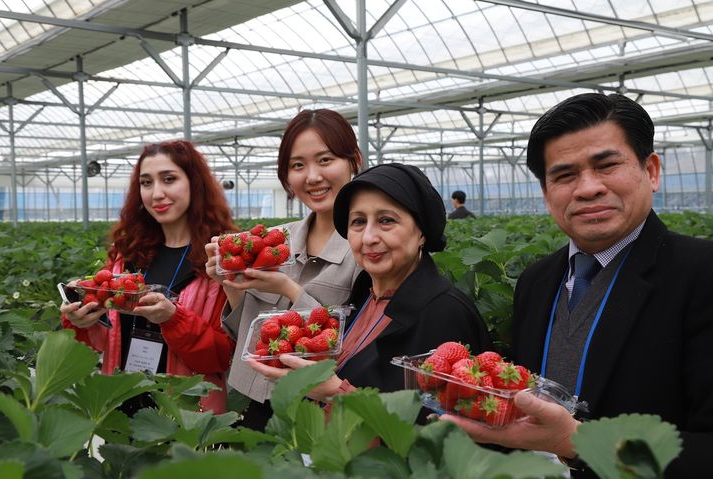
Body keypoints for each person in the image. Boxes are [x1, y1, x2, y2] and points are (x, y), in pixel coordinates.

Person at [443, 93, 713, 477]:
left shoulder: (701, 274)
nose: (587, 188)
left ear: (651, 171)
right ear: (546, 191)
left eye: (606, 165)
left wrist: (578, 442)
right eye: (565, 175)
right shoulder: (536, 281)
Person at [249, 163, 491, 405]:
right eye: (358, 222)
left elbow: (439, 430)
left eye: (386, 220)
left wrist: (334, 393)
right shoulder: (362, 292)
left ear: (422, 232)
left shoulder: (445, 313)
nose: (368, 238)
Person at [205, 109, 365, 430]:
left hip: (314, 410)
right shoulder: (275, 241)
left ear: (353, 161)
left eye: (325, 160)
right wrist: (231, 284)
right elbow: (245, 334)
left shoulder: (365, 250)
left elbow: (351, 348)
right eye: (297, 165)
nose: (312, 176)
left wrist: (287, 288)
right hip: (250, 401)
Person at [62, 140, 236, 414]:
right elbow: (103, 339)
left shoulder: (217, 259)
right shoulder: (127, 254)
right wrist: (81, 320)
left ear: (195, 183)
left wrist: (173, 318)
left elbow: (223, 355)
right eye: (146, 183)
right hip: (121, 402)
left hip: (185, 415)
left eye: (169, 179)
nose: (156, 193)